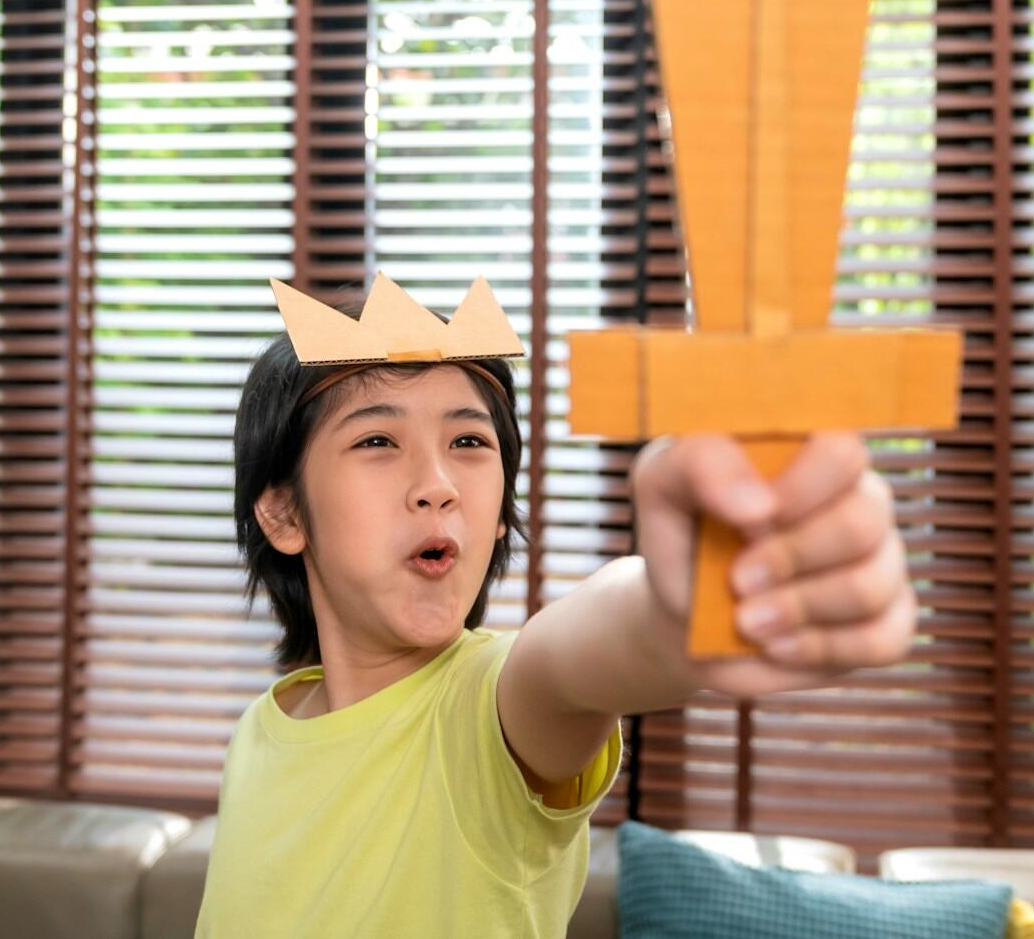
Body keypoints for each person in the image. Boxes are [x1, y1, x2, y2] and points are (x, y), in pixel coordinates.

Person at [193, 284, 917, 937]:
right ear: (283, 512)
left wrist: (689, 600)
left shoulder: (491, 712)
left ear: (500, 513)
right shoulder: (259, 732)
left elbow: (581, 651)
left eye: (469, 442)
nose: (438, 482)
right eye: (378, 439)